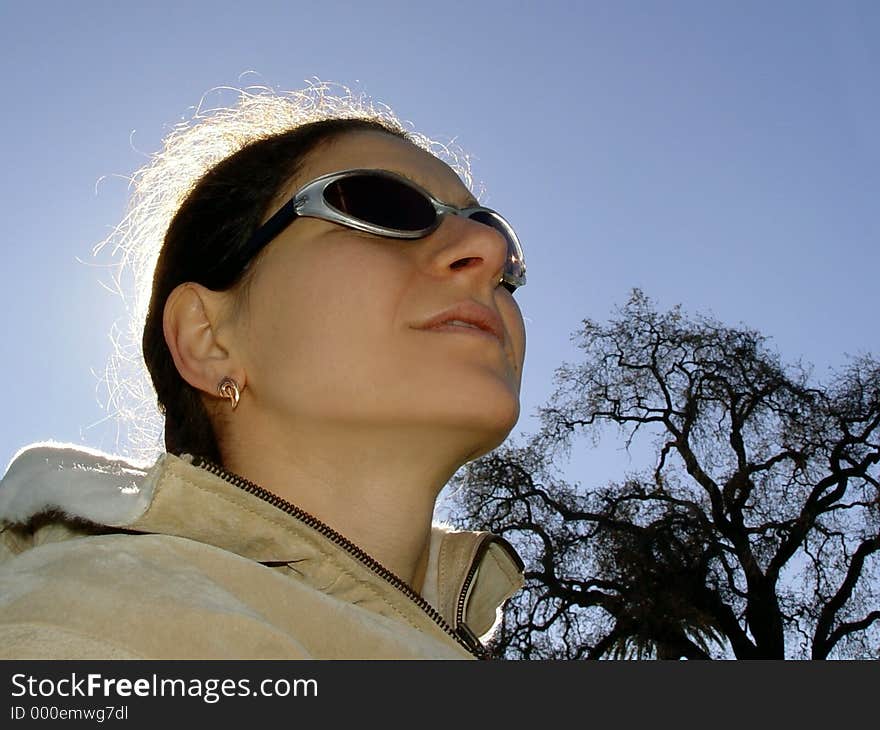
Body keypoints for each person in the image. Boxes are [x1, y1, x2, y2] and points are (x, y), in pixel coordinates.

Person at [0, 85, 527, 659]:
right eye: (382, 206)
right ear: (208, 339)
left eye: (500, 239)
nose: (487, 249)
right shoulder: (77, 636)